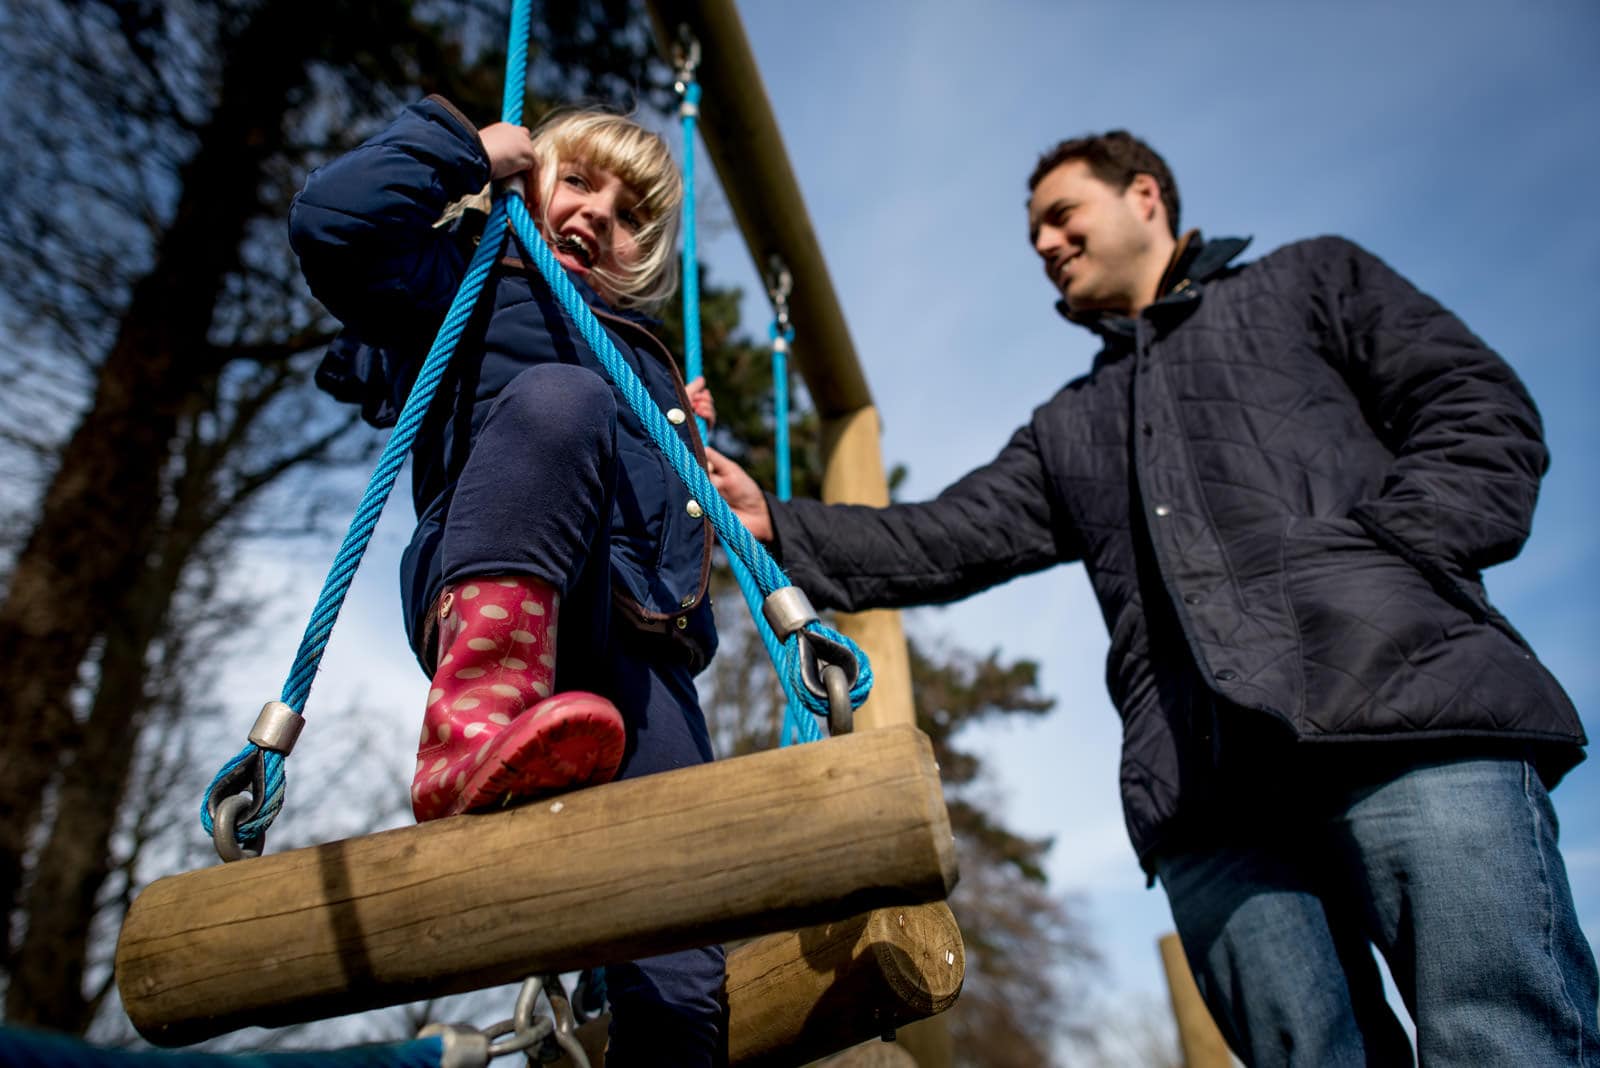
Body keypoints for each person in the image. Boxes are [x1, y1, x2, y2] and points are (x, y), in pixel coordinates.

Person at [707, 130, 1597, 1064]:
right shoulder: (1069, 426)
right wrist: (774, 520)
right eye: (1034, 235)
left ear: (1144, 196)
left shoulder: (1310, 279)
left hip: (1407, 714)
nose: (1044, 244)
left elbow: (1478, 408)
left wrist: (1389, 567)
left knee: (1503, 1038)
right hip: (1207, 799)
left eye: (1062, 215)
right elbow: (946, 535)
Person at [289, 96, 723, 1066]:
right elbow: (334, 224)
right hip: (512, 581)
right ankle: (476, 722)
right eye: (580, 181)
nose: (597, 214)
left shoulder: (642, 358)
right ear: (528, 183)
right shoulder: (469, 278)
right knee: (563, 399)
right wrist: (462, 152)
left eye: (629, 214)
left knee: (684, 955)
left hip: (642, 648)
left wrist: (681, 434)